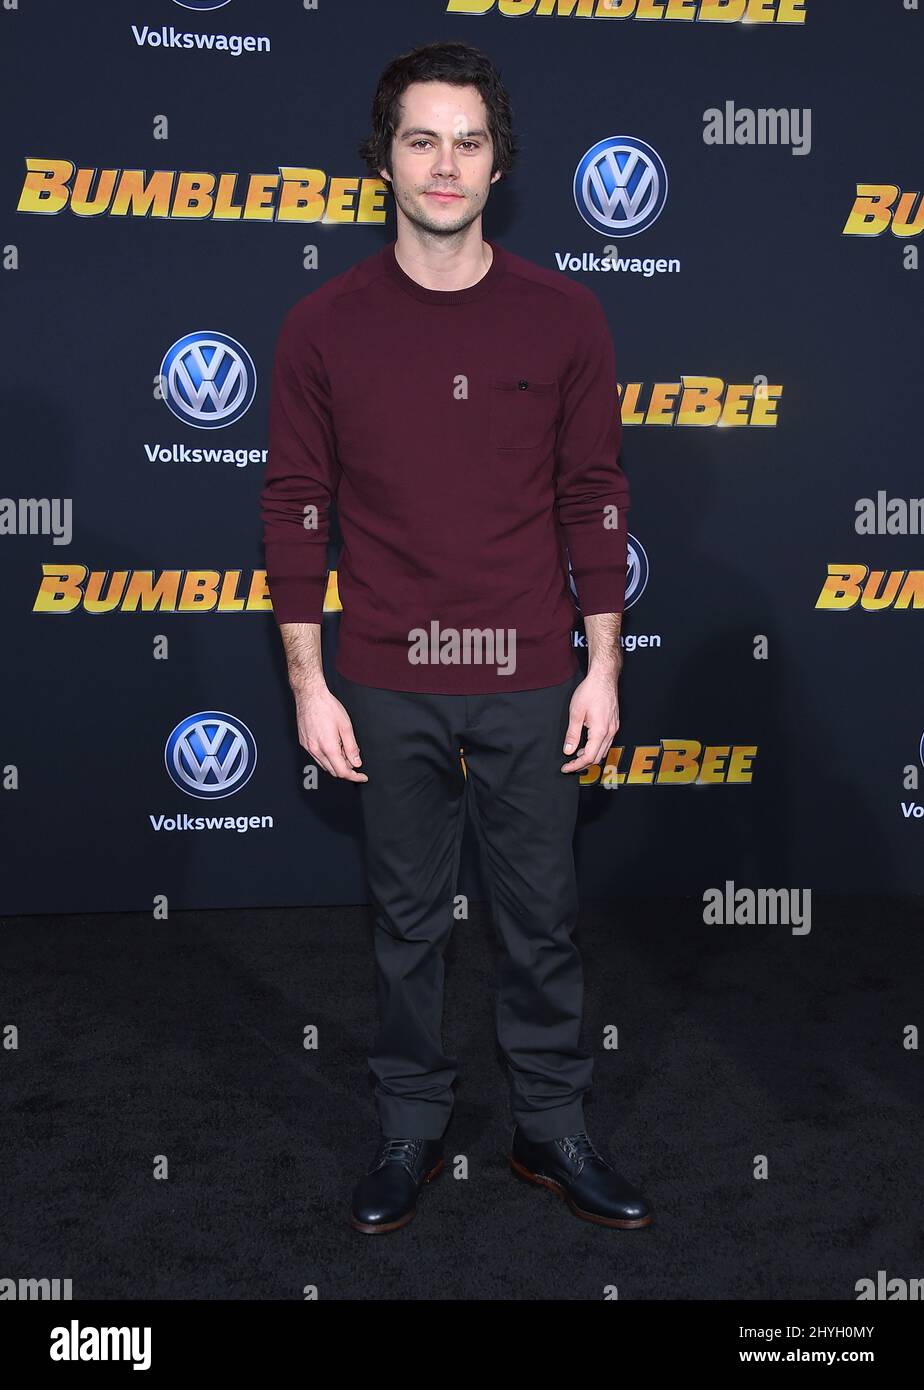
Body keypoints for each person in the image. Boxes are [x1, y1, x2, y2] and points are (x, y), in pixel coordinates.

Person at [259, 39, 652, 1234]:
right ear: (383, 157)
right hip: (383, 671)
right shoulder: (323, 325)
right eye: (421, 138)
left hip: (532, 670)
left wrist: (602, 665)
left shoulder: (565, 314)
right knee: (406, 924)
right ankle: (410, 1128)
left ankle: (550, 1125)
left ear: (498, 161)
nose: (445, 163)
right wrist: (308, 684)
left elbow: (593, 494)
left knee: (541, 917)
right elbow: (294, 505)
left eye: (468, 140)